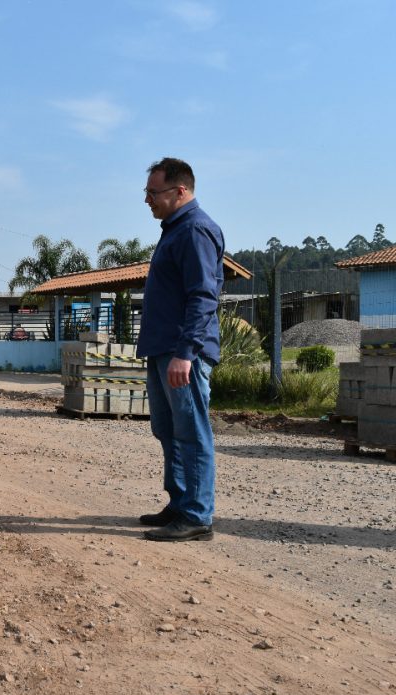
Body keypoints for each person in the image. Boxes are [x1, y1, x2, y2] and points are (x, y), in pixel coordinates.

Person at [136, 157, 224, 542]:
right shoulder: (175, 230)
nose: (148, 200)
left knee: (191, 431)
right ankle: (180, 503)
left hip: (182, 352)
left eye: (153, 193)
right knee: (167, 429)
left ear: (180, 191)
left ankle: (197, 514)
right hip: (163, 348)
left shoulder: (195, 230)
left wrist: (186, 353)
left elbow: (203, 296)